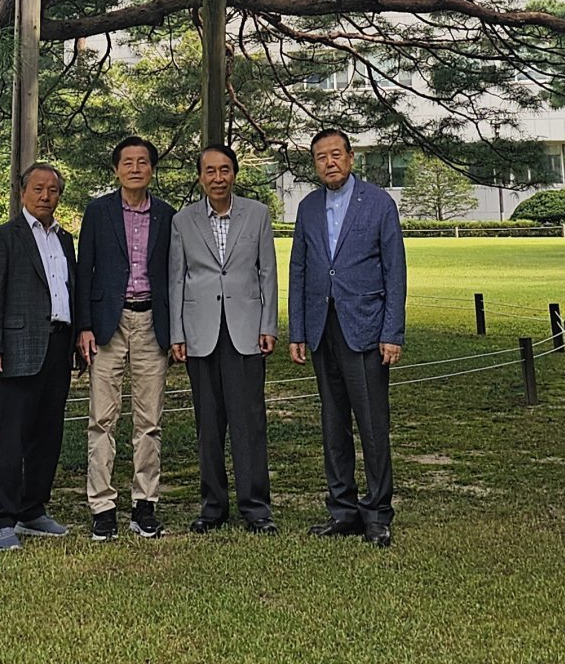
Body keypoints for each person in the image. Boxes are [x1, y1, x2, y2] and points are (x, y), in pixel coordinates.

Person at [288, 127, 406, 547]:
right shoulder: (308, 208)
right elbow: (299, 270)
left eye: (336, 154)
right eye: (321, 157)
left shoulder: (378, 203)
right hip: (322, 328)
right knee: (333, 422)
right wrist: (297, 330)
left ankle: (377, 513)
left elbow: (395, 271)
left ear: (351, 158)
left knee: (372, 424)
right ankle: (342, 509)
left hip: (367, 329)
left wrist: (392, 331)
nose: (329, 162)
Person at [169, 143, 279, 534]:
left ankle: (256, 508)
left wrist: (269, 325)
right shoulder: (182, 221)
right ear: (200, 176)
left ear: (235, 174)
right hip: (200, 334)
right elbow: (177, 278)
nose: (218, 178)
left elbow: (267, 272)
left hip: (246, 331)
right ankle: (212, 506)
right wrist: (177, 333)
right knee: (209, 425)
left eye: (225, 170)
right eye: (210, 171)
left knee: (249, 423)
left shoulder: (258, 214)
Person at [75, 135, 173, 540]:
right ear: (116, 169)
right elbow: (84, 272)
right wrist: (83, 326)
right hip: (106, 327)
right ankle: (102, 506)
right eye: (127, 162)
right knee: (102, 419)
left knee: (149, 421)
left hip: (151, 322)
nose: (135, 168)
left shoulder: (167, 215)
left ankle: (144, 503)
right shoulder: (98, 212)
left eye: (143, 162)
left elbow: (175, 275)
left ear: (152, 169)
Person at [0, 161, 77, 552]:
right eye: (37, 189)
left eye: (52, 190)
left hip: (58, 345)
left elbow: (70, 290)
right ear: (22, 193)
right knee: (12, 439)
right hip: (16, 350)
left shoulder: (65, 239)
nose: (45, 196)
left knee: (48, 436)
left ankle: (32, 510)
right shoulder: (4, 237)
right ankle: (3, 520)